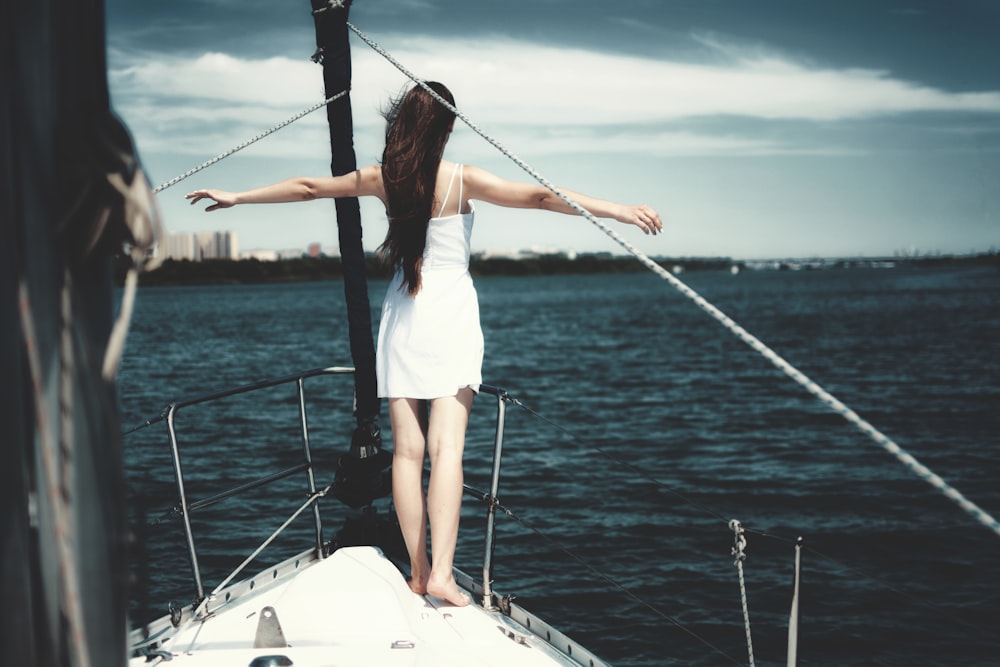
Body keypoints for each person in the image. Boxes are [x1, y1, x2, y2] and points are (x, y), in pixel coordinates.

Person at [186, 81, 662, 606]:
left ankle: (418, 571)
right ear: (448, 126)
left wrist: (236, 196)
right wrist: (616, 210)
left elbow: (307, 188)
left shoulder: (384, 180)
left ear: (404, 124)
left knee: (408, 455)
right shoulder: (461, 178)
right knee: (447, 450)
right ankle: (443, 577)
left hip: (402, 317)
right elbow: (542, 198)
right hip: (450, 316)